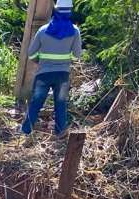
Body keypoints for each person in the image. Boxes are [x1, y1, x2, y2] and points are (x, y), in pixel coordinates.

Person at [21, 0, 82, 136]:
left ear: (56, 10)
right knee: (60, 104)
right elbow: (77, 55)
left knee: (36, 102)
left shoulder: (43, 30)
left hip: (44, 73)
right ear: (70, 12)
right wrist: (66, 59)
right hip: (63, 75)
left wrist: (40, 60)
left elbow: (31, 53)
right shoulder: (75, 31)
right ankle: (60, 132)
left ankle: (26, 131)